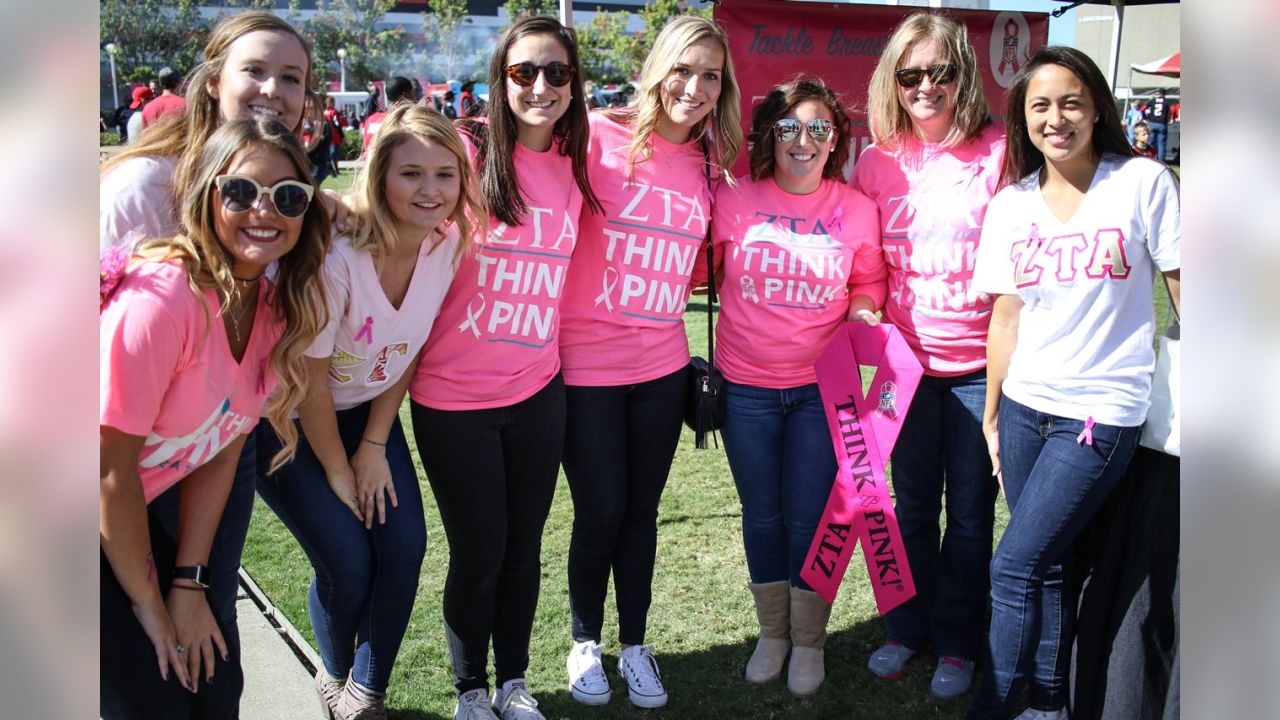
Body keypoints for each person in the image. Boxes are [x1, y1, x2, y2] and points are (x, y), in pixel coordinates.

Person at [98, 13, 332, 718]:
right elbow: (106, 467)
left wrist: (190, 583)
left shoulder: (268, 302)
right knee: (151, 690)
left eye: (289, 198)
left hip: (177, 468)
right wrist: (151, 602)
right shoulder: (159, 276)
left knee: (213, 679)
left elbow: (225, 445)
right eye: (240, 193)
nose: (264, 210)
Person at [965, 45, 1180, 720]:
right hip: (1027, 406)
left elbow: (1186, 288)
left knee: (1013, 566)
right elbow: (1006, 316)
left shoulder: (1143, 183)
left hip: (1102, 410)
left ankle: (994, 706)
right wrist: (994, 415)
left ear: (1096, 109)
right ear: (1022, 118)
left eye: (1070, 102)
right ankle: (1050, 701)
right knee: (1048, 562)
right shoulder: (1011, 205)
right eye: (1040, 106)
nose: (1056, 118)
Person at [256, 104, 485, 720]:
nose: (431, 190)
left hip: (363, 417)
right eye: (412, 173)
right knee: (347, 562)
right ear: (381, 174)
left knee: (405, 547)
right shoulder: (337, 258)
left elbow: (404, 351)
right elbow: (308, 385)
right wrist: (338, 469)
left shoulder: (449, 244)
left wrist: (375, 446)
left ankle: (365, 692)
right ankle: (333, 674)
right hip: (288, 422)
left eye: (446, 173)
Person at [406, 16, 600, 720]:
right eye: (525, 72)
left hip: (538, 393)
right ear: (501, 78)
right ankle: (470, 692)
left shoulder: (576, 166)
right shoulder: (464, 151)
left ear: (574, 84)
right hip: (452, 398)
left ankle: (513, 683)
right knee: (479, 551)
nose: (541, 86)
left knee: (523, 550)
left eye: (556, 72)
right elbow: (393, 199)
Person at [555, 14, 742, 710]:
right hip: (584, 368)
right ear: (658, 67)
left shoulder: (707, 165)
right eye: (684, 70)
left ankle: (635, 646)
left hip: (662, 367)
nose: (694, 87)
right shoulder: (593, 137)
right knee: (599, 509)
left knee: (641, 513)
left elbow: (700, 265)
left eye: (710, 76)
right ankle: (583, 642)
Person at [713, 76, 886, 698]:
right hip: (746, 389)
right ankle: (773, 634)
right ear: (770, 137)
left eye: (818, 128)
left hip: (822, 391)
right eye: (788, 128)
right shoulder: (733, 200)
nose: (803, 141)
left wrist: (864, 311)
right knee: (763, 516)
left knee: (812, 519)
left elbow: (869, 282)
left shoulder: (858, 208)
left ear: (836, 138)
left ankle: (809, 641)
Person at [852, 11, 1004, 700]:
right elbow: (870, 267)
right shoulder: (877, 159)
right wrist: (868, 311)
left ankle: (957, 641)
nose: (925, 86)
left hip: (980, 369)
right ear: (894, 79)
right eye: (910, 74)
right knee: (907, 506)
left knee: (971, 513)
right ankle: (905, 628)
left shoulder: (1001, 150)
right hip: (904, 370)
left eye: (939, 71)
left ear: (962, 74)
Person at [362, 76, 415, 149]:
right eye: (413, 93)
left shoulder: (370, 120)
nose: (415, 97)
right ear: (407, 95)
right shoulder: (404, 121)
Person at [1144, 87, 1172, 161]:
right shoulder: (1166, 102)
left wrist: (1146, 119)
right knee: (1161, 145)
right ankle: (1160, 162)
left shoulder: (1152, 101)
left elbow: (1143, 108)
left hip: (1152, 123)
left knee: (1150, 142)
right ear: (1164, 94)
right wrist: (1168, 120)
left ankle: (1149, 158)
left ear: (1158, 93)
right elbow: (1170, 113)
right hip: (1162, 124)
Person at [323, 95, 347, 176]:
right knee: (334, 154)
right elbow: (337, 124)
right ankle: (335, 170)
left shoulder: (324, 112)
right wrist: (342, 136)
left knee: (329, 153)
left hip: (326, 136)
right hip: (334, 137)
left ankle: (331, 170)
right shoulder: (334, 112)